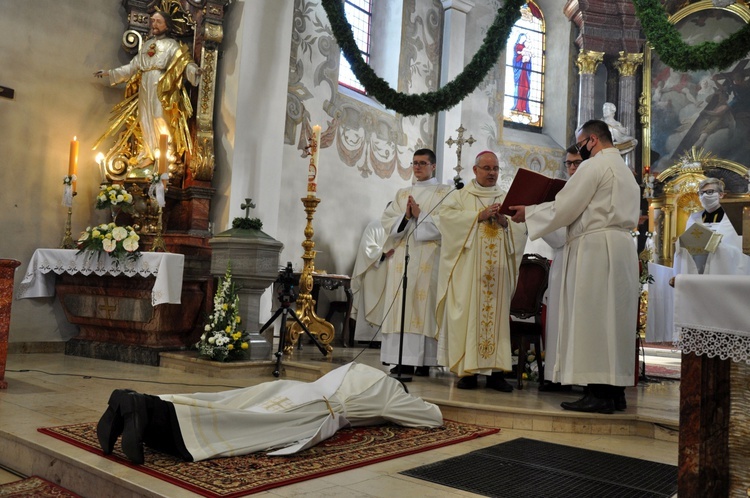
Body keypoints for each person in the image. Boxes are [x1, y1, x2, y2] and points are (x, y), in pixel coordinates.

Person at [509, 120, 641, 414]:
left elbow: (565, 206)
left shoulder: (592, 167)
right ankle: (614, 391)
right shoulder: (625, 171)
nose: (579, 148)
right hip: (620, 247)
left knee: (593, 318)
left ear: (592, 140)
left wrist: (528, 212)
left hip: (595, 249)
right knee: (615, 321)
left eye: (580, 142)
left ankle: (598, 392)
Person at [96, 362, 443, 464]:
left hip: (294, 388)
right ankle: (145, 413)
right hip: (313, 409)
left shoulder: (358, 368)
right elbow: (432, 417)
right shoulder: (389, 391)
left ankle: (140, 402)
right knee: (241, 428)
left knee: (225, 405)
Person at [434, 151, 527, 392]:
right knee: (469, 318)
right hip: (469, 275)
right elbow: (445, 219)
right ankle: (468, 373)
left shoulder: (506, 198)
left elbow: (521, 228)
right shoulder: (460, 197)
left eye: (495, 168)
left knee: (496, 320)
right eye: (486, 168)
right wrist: (478, 216)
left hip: (497, 273)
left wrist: (506, 223)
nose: (492, 173)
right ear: (475, 170)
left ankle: (496, 374)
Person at [94, 11, 202, 168]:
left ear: (167, 25)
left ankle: (167, 152)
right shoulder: (145, 45)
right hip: (145, 84)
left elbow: (183, 63)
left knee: (159, 116)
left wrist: (194, 70)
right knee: (145, 119)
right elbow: (132, 67)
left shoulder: (172, 44)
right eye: (153, 21)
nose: (154, 24)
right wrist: (109, 73)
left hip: (161, 85)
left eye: (158, 21)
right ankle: (149, 152)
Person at [380, 149, 451, 376]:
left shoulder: (445, 193)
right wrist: (406, 216)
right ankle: (400, 359)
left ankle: (425, 360)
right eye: (414, 163)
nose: (417, 167)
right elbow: (388, 221)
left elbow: (449, 224)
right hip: (403, 257)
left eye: (422, 163)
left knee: (424, 307)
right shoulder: (403, 194)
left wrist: (421, 215)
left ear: (433, 166)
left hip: (430, 259)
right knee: (401, 306)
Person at [536, 145, 581, 392]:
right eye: (569, 163)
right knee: (556, 318)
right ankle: (556, 374)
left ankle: (575, 376)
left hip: (580, 258)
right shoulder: (562, 190)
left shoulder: (585, 188)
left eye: (577, 163)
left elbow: (567, 231)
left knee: (574, 318)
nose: (572, 168)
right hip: (562, 259)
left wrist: (540, 217)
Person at [673, 177, 747, 276]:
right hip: (697, 267)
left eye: (710, 192)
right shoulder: (693, 218)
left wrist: (717, 246)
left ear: (721, 194)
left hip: (722, 269)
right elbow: (687, 244)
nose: (704, 196)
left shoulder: (732, 218)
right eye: (701, 193)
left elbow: (739, 250)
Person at [350, 211, 394, 345]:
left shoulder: (401, 230)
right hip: (374, 274)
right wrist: (382, 253)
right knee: (372, 304)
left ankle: (386, 340)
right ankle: (370, 339)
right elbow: (366, 248)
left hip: (393, 275)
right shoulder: (374, 226)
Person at [511, 33, 532, 114]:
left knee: (526, 88)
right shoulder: (516, 46)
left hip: (525, 71)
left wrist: (527, 59)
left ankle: (524, 107)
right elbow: (515, 59)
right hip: (520, 71)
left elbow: (529, 59)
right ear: (520, 38)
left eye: (525, 38)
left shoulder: (525, 47)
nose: (524, 39)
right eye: (523, 38)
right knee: (519, 88)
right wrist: (521, 58)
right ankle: (518, 107)